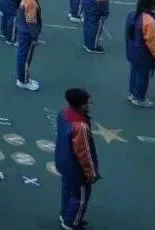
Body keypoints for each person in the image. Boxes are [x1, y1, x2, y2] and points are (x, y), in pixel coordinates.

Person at [55, 87, 99, 230]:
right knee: (80, 198)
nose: (89, 105)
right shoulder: (80, 127)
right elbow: (84, 153)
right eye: (88, 103)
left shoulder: (63, 114)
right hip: (77, 170)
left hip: (63, 161)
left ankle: (65, 215)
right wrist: (91, 173)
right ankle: (71, 223)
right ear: (82, 105)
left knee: (67, 191)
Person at [125, 0, 155, 108]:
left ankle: (132, 93)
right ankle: (140, 97)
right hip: (145, 55)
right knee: (144, 77)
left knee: (135, 72)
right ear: (151, 6)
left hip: (133, 51)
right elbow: (153, 43)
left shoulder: (132, 14)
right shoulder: (149, 21)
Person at [15, 0, 42, 91]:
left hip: (23, 31)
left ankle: (24, 77)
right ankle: (23, 81)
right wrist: (35, 37)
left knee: (23, 56)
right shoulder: (30, 1)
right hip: (27, 33)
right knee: (25, 58)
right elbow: (31, 21)